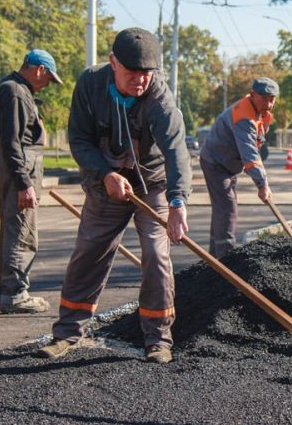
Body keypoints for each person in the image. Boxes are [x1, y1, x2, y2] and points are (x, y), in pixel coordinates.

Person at [37, 28, 190, 364]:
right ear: (113, 63)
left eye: (147, 74)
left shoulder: (159, 98)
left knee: (156, 253)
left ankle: (158, 339)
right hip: (105, 181)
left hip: (153, 185)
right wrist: (105, 174)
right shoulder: (90, 85)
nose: (140, 81)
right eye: (132, 73)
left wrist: (178, 202)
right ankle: (67, 333)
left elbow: (177, 150)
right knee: (90, 249)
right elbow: (79, 140)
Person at [0, 49, 62, 314]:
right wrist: (23, 183)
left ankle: (9, 289)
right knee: (21, 230)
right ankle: (15, 294)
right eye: (48, 78)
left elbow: (0, 141)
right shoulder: (15, 92)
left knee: (13, 227)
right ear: (39, 69)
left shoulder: (8, 88)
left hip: (12, 166)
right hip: (20, 168)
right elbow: (12, 141)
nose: (47, 84)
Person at [199, 77, 277, 258]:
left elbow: (256, 147)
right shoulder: (244, 118)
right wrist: (262, 184)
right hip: (215, 162)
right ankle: (226, 259)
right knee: (227, 208)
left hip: (228, 163)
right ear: (253, 95)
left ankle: (213, 258)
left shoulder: (261, 113)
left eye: (272, 99)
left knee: (222, 207)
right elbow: (249, 153)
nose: (269, 104)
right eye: (264, 98)